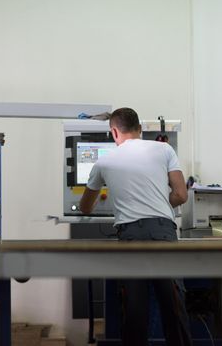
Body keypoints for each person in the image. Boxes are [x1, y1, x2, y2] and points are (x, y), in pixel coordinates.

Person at [79, 107, 193, 346]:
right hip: (163, 232)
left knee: (134, 311)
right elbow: (181, 195)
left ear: (113, 132)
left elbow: (85, 208)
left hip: (130, 236)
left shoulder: (104, 161)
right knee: (173, 307)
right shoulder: (164, 149)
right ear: (140, 130)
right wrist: (159, 200)